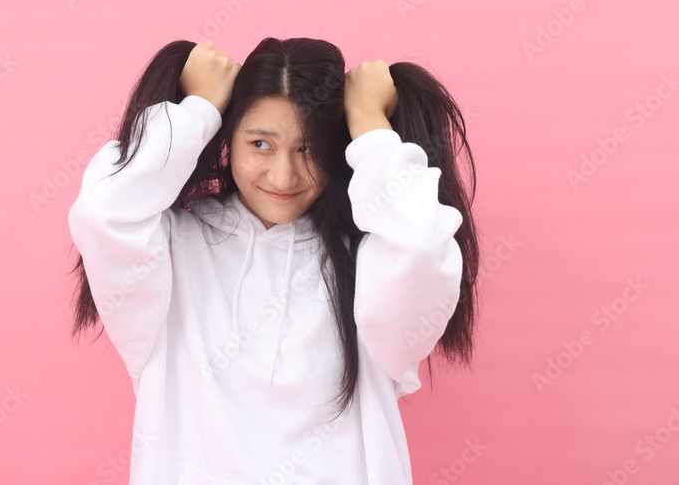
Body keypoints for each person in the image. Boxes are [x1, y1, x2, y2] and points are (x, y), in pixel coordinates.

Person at [67, 37, 480, 484]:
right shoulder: (168, 252)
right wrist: (199, 108)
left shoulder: (371, 261)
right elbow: (103, 212)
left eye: (307, 149)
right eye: (260, 144)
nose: (283, 176)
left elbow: (422, 245)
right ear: (226, 138)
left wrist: (371, 128)